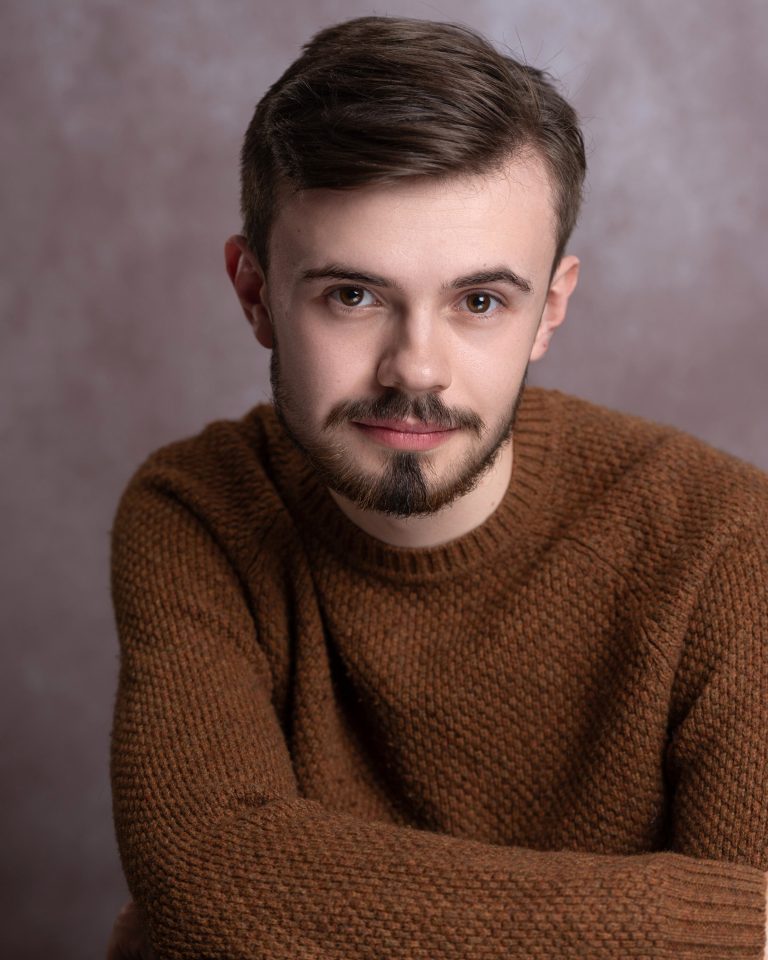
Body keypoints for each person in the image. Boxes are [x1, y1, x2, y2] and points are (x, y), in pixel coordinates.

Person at [107, 14, 768, 959]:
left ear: (551, 308)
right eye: (354, 295)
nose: (417, 368)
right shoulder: (198, 511)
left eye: (481, 302)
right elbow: (209, 870)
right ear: (254, 293)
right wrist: (705, 922)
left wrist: (288, 909)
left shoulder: (728, 543)